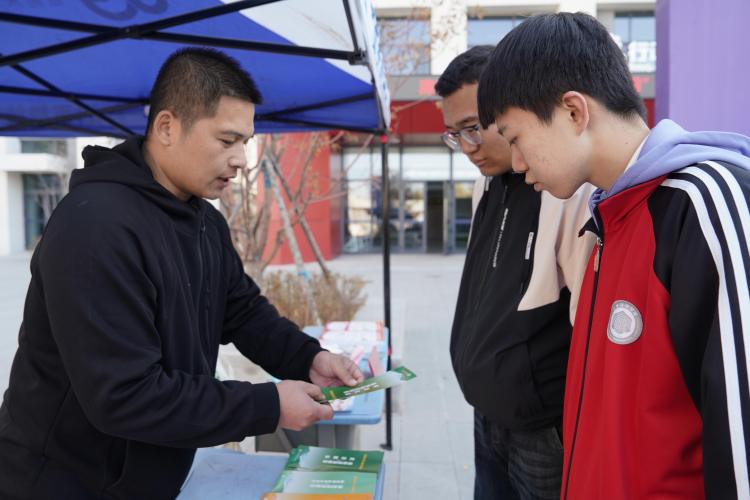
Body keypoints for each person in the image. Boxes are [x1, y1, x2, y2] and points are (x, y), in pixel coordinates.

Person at [0, 47, 363, 500]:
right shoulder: (94, 226)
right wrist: (267, 406)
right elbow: (125, 395)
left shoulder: (203, 219)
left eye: (246, 142)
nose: (241, 160)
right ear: (167, 127)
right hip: (64, 483)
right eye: (227, 140)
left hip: (147, 478)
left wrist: (308, 359)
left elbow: (241, 310)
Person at [477, 12, 750, 500]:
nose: (516, 163)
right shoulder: (611, 220)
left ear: (574, 112)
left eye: (515, 138)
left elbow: (740, 435)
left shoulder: (699, 204)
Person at [436, 46, 595, 500]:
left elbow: (589, 325)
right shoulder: (485, 183)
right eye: (454, 134)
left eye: (474, 128)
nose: (467, 147)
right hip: (485, 413)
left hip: (542, 430)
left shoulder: (569, 190)